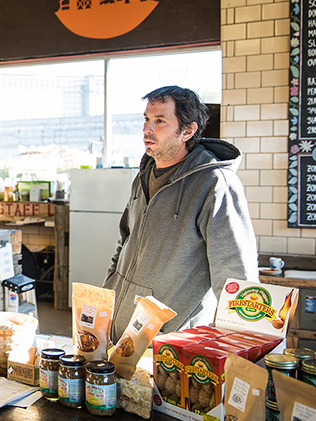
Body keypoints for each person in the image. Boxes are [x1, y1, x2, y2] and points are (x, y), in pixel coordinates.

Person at [103, 86, 258, 342]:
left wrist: (245, 348)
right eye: (146, 119)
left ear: (188, 130)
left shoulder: (215, 184)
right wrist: (109, 291)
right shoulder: (143, 177)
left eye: (160, 121)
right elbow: (124, 242)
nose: (147, 129)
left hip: (173, 340)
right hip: (122, 329)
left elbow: (235, 272)